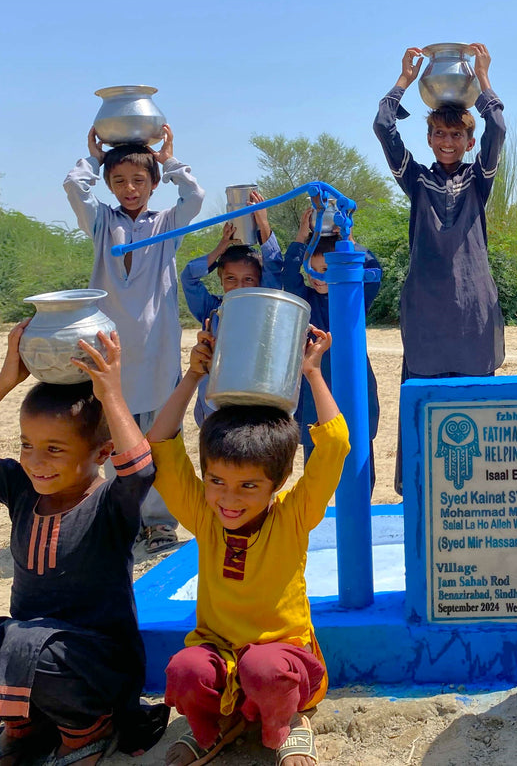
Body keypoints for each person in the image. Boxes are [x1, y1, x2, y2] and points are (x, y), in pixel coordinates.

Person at [147, 324, 348, 766]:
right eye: (216, 481)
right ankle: (212, 727)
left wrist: (312, 373)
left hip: (282, 659)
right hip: (220, 652)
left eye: (248, 486)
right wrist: (192, 376)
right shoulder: (204, 515)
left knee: (265, 669)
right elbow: (160, 445)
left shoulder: (292, 518)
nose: (229, 499)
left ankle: (289, 723)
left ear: (279, 482)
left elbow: (334, 445)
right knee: (185, 668)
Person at [0, 322, 168, 766]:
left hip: (94, 667)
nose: (35, 462)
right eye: (27, 445)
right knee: (17, 642)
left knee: (26, 647)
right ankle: (26, 723)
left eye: (54, 449)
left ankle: (87, 732)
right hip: (29, 654)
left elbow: (141, 470)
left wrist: (111, 393)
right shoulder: (22, 491)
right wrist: (6, 379)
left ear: (101, 453)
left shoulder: (110, 505)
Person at [64, 124, 205, 555]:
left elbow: (195, 197)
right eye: (120, 180)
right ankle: (123, 520)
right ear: (108, 184)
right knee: (114, 442)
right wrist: (93, 158)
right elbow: (73, 186)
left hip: (158, 351)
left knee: (159, 440)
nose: (130, 189)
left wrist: (168, 159)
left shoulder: (166, 224)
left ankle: (159, 524)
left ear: (153, 184)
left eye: (139, 180)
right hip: (112, 353)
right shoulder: (101, 222)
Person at [373, 43, 506, 493]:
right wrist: (405, 81)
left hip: (473, 310)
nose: (448, 142)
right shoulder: (417, 180)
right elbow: (383, 126)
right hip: (427, 311)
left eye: (456, 136)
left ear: (468, 142)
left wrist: (482, 78)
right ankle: (419, 492)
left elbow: (497, 129)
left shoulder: (478, 180)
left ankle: (479, 495)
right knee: (424, 404)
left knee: (476, 409)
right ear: (429, 138)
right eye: (439, 134)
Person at [285, 207, 381, 485]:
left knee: (359, 457)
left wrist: (348, 240)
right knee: (317, 463)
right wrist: (301, 238)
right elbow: (288, 276)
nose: (318, 277)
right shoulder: (304, 300)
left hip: (353, 384)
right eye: (312, 270)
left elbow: (373, 270)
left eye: (326, 269)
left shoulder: (354, 297)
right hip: (314, 391)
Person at [180, 189, 283, 427]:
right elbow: (189, 278)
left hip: (255, 407)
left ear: (259, 281)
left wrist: (263, 224)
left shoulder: (265, 306)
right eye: (230, 279)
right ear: (220, 279)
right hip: (214, 409)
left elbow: (274, 265)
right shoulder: (212, 309)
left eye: (248, 279)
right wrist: (221, 248)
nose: (239, 286)